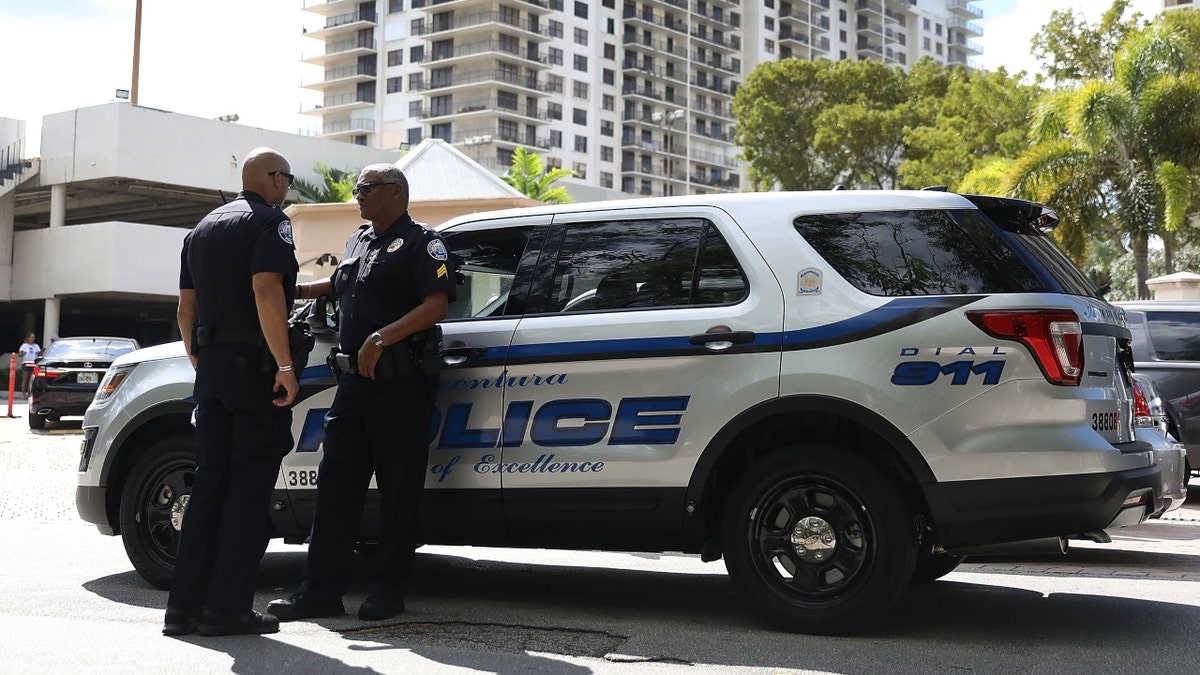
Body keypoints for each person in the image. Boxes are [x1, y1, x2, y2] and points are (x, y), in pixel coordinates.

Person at [268, 164, 454, 623]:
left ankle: (387, 593)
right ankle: (319, 593)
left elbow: (436, 304)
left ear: (395, 192)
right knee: (336, 490)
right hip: (353, 386)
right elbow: (340, 284)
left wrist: (380, 338)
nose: (357, 194)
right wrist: (290, 290)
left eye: (366, 188)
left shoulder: (422, 243)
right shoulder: (358, 238)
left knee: (398, 492)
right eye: (356, 188)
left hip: (402, 385)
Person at [163, 147, 300, 637]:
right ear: (271, 178)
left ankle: (183, 609)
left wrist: (198, 356)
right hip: (251, 369)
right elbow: (267, 289)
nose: (287, 187)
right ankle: (227, 609)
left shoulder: (201, 229)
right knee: (248, 488)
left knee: (209, 486)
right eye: (286, 178)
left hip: (214, 369)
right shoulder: (270, 224)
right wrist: (284, 364)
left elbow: (185, 307)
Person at [18, 333, 40, 397]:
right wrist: (23, 353)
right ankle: (23, 394)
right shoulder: (24, 345)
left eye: (34, 337)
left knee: (32, 380)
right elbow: (20, 354)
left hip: (33, 364)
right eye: (31, 337)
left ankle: (31, 393)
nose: (33, 339)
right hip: (26, 363)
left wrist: (41, 352)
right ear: (28, 338)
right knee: (25, 379)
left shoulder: (36, 346)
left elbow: (39, 353)